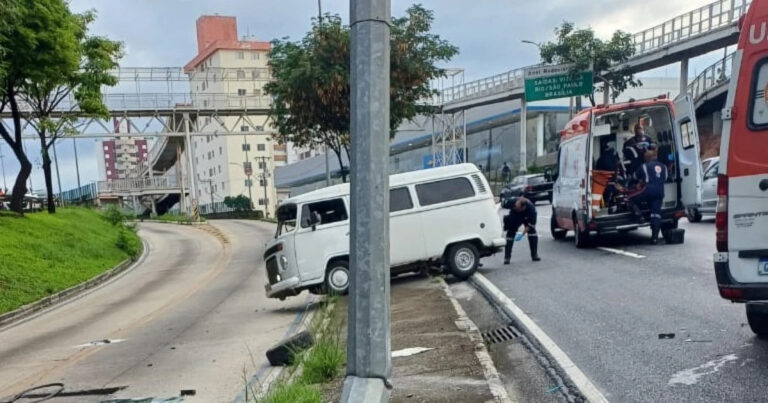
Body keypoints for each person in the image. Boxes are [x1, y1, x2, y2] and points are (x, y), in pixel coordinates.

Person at [629, 150, 667, 245]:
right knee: (656, 215)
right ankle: (654, 238)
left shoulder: (644, 166)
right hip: (659, 192)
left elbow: (634, 177)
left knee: (630, 200)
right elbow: (665, 178)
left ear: (646, 158)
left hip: (647, 191)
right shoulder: (664, 167)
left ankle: (639, 216)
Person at [502, 196, 540, 264]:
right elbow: (500, 204)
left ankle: (534, 255)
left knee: (532, 233)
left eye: (518, 208)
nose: (516, 208)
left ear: (523, 207)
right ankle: (507, 258)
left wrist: (522, 234)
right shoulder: (512, 201)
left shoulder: (531, 209)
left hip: (527, 218)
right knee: (510, 233)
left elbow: (530, 225)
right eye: (515, 207)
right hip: (515, 216)